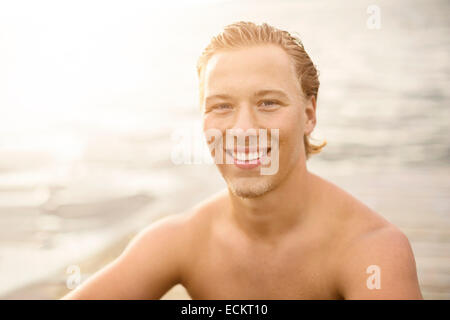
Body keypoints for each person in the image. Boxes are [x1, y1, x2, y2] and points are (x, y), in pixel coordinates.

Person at [63, 21, 422, 299]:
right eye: (221, 106)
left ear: (309, 114)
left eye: (268, 103)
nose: (243, 129)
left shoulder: (372, 250)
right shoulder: (182, 239)